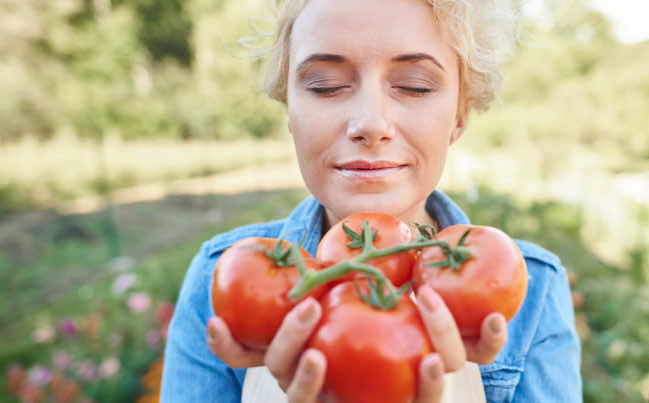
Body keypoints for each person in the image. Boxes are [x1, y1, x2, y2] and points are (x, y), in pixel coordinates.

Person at [160, 0, 582, 402]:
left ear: (459, 115)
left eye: (415, 86)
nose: (371, 124)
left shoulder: (532, 291)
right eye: (325, 87)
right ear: (289, 109)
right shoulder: (221, 277)